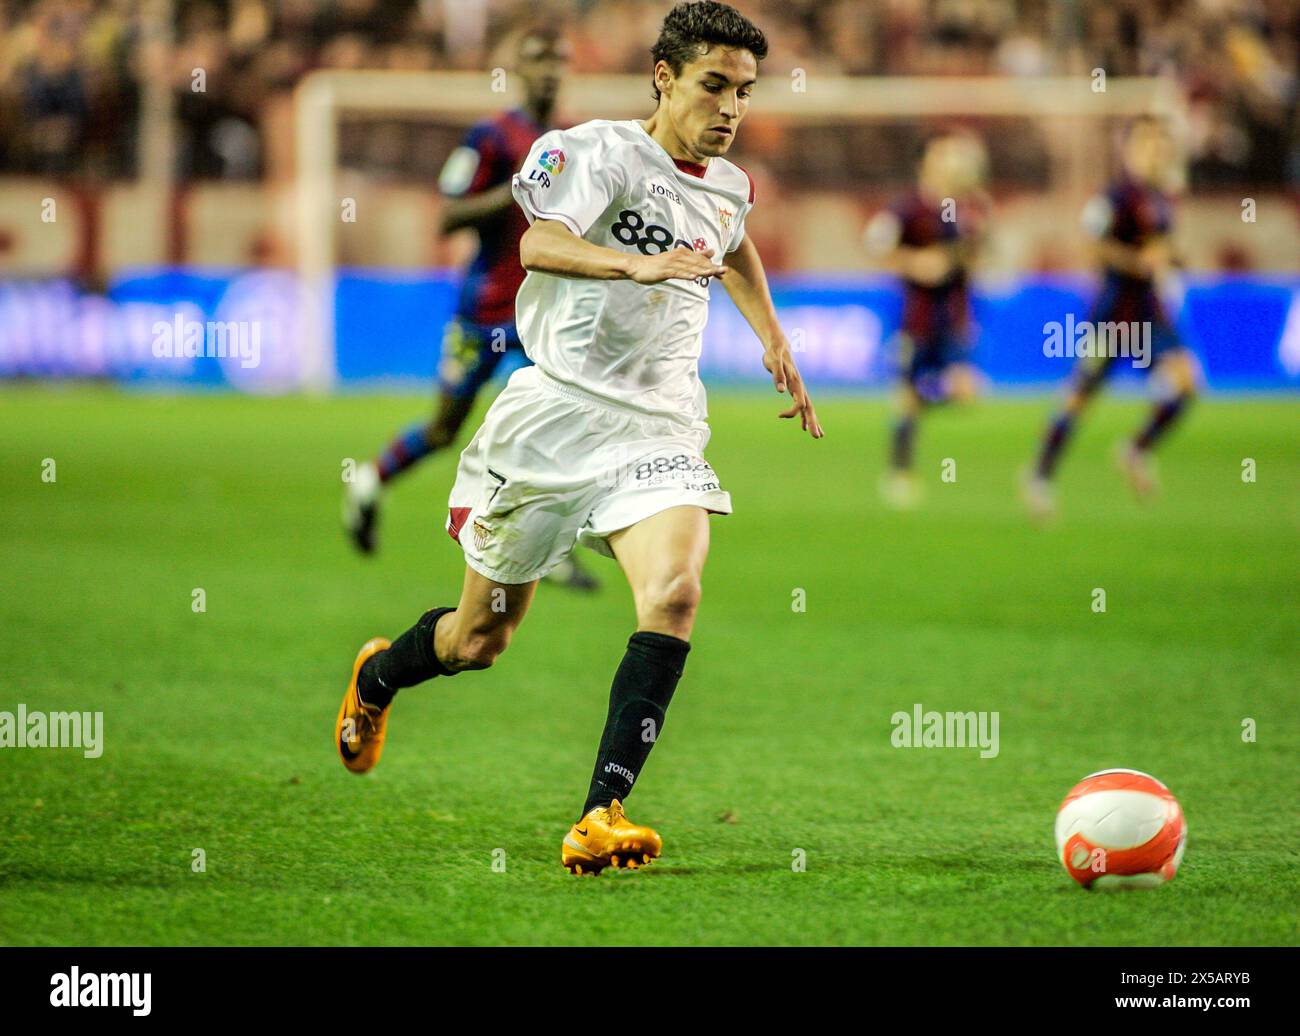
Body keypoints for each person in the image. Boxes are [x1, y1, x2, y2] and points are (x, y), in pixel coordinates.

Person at [334, 1, 822, 875]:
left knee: (674, 593)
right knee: (479, 641)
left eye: (744, 92)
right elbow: (542, 245)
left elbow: (735, 245)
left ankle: (601, 812)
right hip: (553, 420)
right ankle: (379, 677)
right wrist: (637, 262)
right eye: (714, 86)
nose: (731, 109)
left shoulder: (730, 183)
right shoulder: (592, 152)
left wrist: (772, 335)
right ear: (665, 78)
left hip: (661, 425)